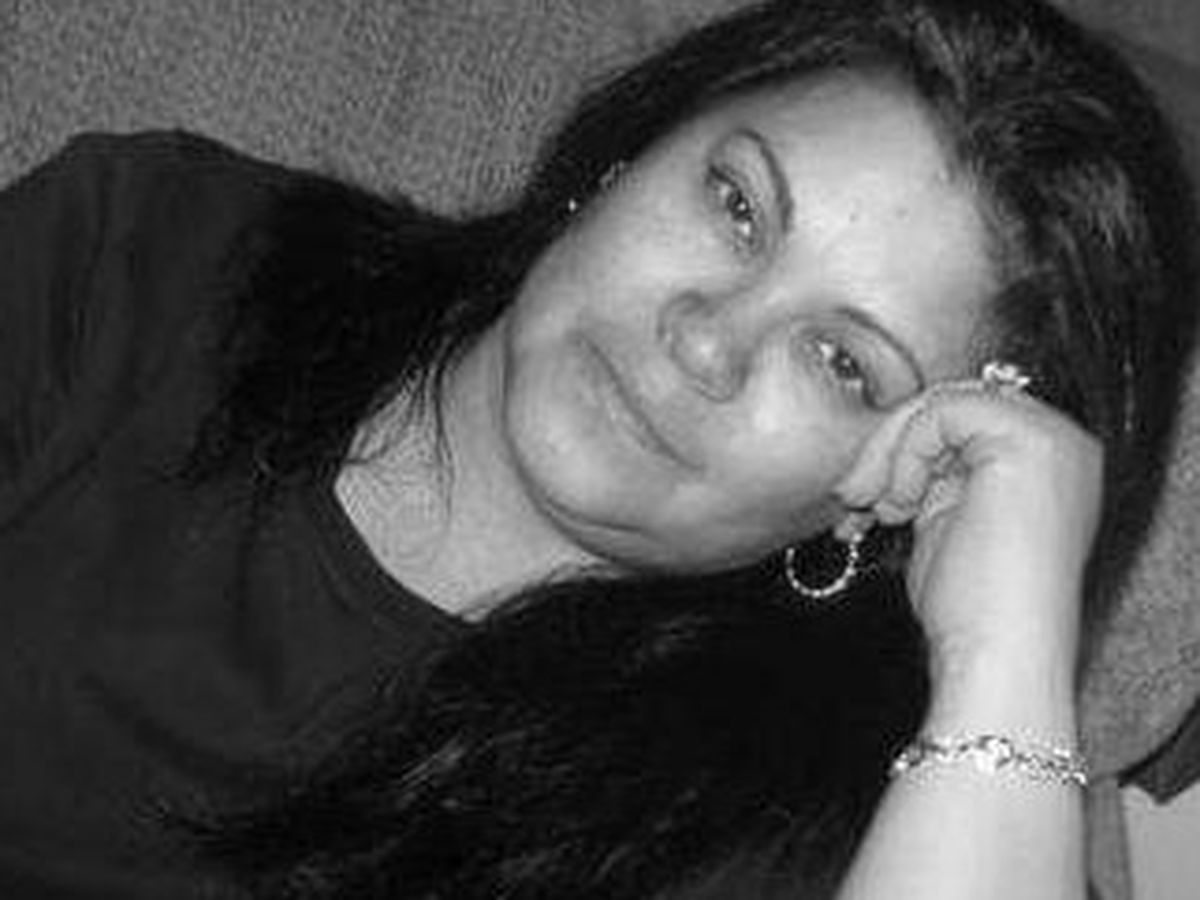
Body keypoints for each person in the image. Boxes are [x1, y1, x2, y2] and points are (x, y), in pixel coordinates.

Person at [0, 0, 1196, 897]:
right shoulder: (147, 257)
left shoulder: (814, 829)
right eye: (738, 206)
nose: (708, 341)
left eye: (842, 362)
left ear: (893, 486)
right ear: (623, 162)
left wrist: (1008, 656)